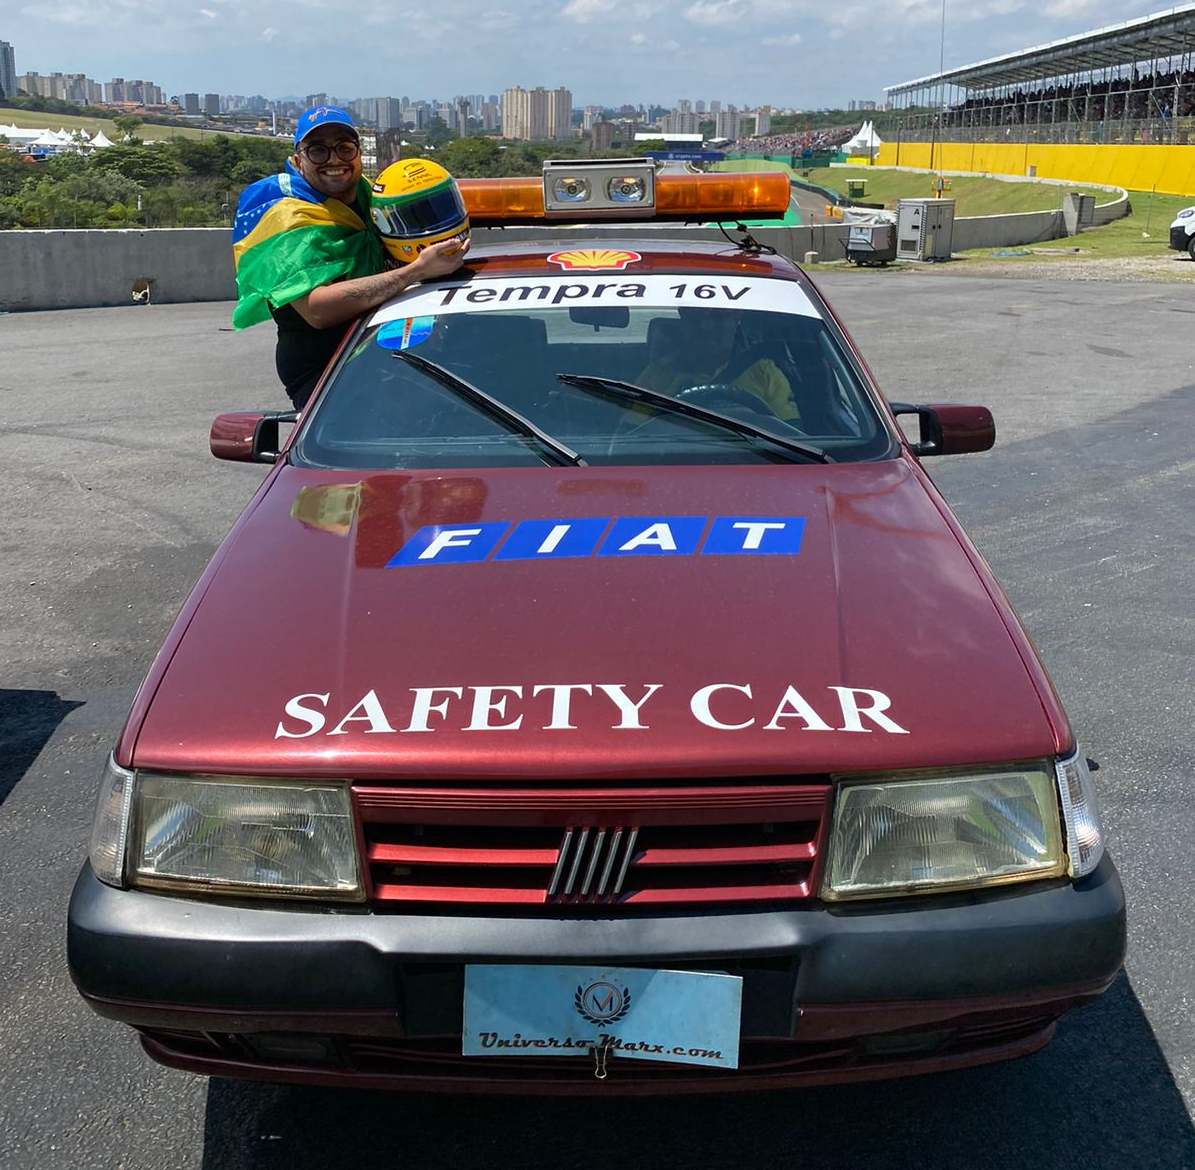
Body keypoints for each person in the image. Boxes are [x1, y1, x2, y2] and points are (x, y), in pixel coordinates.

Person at [231, 106, 468, 408]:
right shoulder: (285, 216)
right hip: (327, 370)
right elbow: (317, 309)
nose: (334, 160)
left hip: (387, 348)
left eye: (344, 148)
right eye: (318, 150)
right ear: (298, 160)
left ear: (358, 153)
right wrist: (415, 272)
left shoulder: (370, 195)